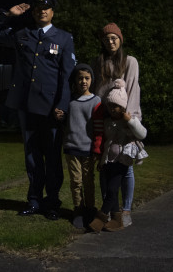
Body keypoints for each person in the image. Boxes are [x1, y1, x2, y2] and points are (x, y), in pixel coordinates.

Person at [0, 0, 76, 220]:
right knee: (32, 157)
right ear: (33, 12)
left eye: (46, 8)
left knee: (53, 158)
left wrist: (62, 105)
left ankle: (52, 203)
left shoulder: (64, 38)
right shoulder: (22, 34)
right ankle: (34, 201)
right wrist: (8, 14)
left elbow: (66, 77)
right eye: (37, 9)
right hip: (27, 106)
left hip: (51, 108)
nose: (41, 11)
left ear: (52, 11)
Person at [91, 22, 141, 227]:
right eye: (106, 38)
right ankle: (110, 210)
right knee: (105, 165)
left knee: (126, 167)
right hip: (104, 118)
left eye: (114, 38)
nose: (110, 41)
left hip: (124, 118)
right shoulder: (98, 62)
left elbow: (132, 89)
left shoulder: (130, 61)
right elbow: (96, 91)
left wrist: (129, 118)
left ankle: (126, 209)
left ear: (120, 40)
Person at [89, 79, 147, 232]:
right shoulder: (107, 121)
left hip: (122, 162)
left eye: (116, 106)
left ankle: (100, 218)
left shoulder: (127, 121)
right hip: (109, 161)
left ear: (122, 106)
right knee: (109, 189)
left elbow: (142, 134)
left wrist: (131, 121)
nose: (113, 109)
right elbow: (107, 145)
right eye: (110, 105)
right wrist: (102, 161)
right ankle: (116, 220)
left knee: (113, 189)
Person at [63, 63, 104, 228]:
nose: (83, 81)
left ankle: (90, 209)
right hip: (72, 147)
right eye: (80, 78)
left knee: (88, 180)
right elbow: (66, 122)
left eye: (87, 78)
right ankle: (78, 209)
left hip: (88, 149)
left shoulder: (96, 100)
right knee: (76, 181)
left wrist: (97, 149)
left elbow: (99, 127)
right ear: (75, 80)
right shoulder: (69, 101)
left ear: (91, 80)